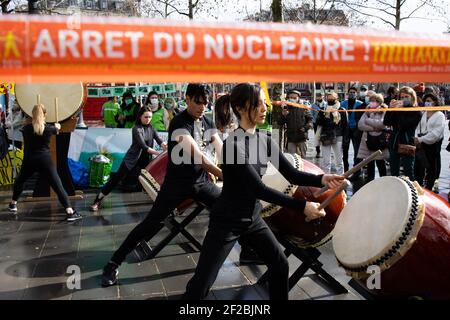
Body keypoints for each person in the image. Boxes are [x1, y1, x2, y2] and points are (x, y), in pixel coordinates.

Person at [183, 83, 345, 300]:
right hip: (227, 220)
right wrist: (302, 206)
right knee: (201, 285)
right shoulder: (233, 145)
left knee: (280, 264)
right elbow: (258, 188)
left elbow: (292, 175)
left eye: (264, 103)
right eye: (258, 104)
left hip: (252, 217)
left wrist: (322, 178)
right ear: (240, 108)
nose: (264, 108)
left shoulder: (265, 140)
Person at [101, 84, 224, 287]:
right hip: (176, 185)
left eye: (206, 102)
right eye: (198, 102)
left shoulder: (207, 121)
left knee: (232, 208)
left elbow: (221, 148)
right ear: (187, 99)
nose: (203, 107)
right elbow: (200, 157)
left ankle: (245, 250)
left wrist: (233, 166)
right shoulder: (179, 123)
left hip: (201, 183)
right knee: (150, 224)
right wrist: (222, 174)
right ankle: (113, 263)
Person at [8, 104, 82, 221]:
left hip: (29, 160)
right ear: (45, 115)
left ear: (32, 115)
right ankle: (69, 211)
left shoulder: (26, 129)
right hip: (44, 160)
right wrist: (56, 126)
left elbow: (31, 127)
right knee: (57, 185)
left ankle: (13, 203)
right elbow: (56, 130)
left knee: (20, 180)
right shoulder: (49, 129)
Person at [90, 106, 167, 211]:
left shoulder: (151, 128)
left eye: (150, 117)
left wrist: (165, 146)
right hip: (131, 160)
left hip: (145, 161)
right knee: (116, 179)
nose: (148, 119)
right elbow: (143, 146)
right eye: (146, 117)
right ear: (140, 116)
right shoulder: (136, 129)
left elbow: (159, 140)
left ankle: (162, 202)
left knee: (156, 180)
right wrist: (160, 154)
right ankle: (98, 199)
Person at [383, 86, 422, 181]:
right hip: (394, 143)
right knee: (394, 173)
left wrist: (399, 110)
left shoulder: (416, 112)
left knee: (409, 172)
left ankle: (414, 192)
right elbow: (386, 122)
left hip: (407, 143)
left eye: (406, 97)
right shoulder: (397, 109)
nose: (404, 99)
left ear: (412, 97)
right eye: (401, 97)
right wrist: (390, 109)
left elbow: (404, 125)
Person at [414, 93, 445, 191]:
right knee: (420, 166)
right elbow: (418, 127)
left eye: (429, 101)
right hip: (421, 144)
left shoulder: (440, 115)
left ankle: (429, 187)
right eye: (426, 101)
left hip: (433, 145)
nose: (427, 103)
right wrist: (416, 138)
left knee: (432, 167)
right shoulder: (424, 113)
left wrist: (421, 139)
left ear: (435, 102)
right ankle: (420, 186)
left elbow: (436, 133)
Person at [357, 93, 389, 182]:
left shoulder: (384, 111)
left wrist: (368, 120)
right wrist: (374, 128)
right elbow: (360, 125)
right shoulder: (367, 111)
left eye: (374, 101)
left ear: (379, 102)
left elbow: (382, 124)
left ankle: (384, 181)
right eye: (371, 100)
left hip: (379, 141)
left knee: (380, 163)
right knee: (369, 163)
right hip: (368, 141)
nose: (371, 103)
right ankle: (370, 181)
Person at [316, 92, 347, 175]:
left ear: (337, 98)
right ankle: (327, 179)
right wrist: (323, 114)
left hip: (338, 136)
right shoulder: (323, 109)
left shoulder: (341, 109)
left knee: (339, 160)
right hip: (325, 136)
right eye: (328, 98)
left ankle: (340, 178)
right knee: (326, 161)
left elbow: (345, 125)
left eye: (332, 98)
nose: (330, 99)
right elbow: (318, 122)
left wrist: (345, 139)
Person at [279, 90, 313, 158]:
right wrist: (283, 115)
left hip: (302, 137)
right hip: (291, 137)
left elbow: (310, 120)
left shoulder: (303, 107)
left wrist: (305, 128)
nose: (292, 99)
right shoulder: (286, 107)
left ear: (298, 98)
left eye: (294, 98)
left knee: (303, 157)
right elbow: (280, 122)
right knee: (292, 158)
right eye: (291, 97)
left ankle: (303, 169)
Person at [341, 87, 364, 175]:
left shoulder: (360, 104)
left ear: (356, 93)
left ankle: (357, 171)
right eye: (350, 92)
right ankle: (345, 170)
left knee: (357, 152)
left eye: (354, 92)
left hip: (356, 130)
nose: (352, 94)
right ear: (347, 93)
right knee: (345, 151)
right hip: (346, 130)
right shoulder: (343, 103)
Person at [310, 92, 326, 158]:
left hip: (325, 124)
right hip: (316, 124)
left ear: (323, 96)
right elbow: (311, 114)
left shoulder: (326, 104)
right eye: (318, 96)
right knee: (317, 138)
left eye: (320, 96)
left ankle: (325, 152)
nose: (319, 97)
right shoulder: (313, 105)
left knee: (324, 137)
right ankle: (318, 152)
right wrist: (314, 121)